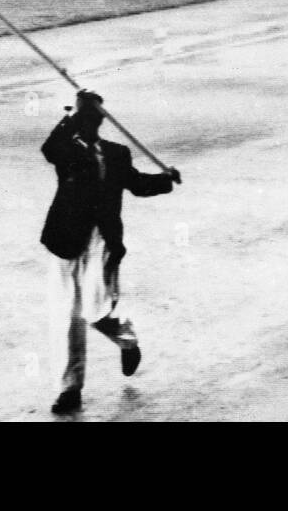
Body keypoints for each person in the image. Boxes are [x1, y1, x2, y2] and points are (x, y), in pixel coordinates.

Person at [40, 89, 181, 416]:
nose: (88, 124)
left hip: (102, 241)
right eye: (83, 118)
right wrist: (73, 115)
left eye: (92, 117)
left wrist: (165, 179)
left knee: (96, 308)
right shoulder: (68, 149)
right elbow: (49, 148)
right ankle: (69, 388)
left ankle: (127, 341)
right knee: (66, 315)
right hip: (64, 238)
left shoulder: (117, 153)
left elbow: (137, 184)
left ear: (101, 121)